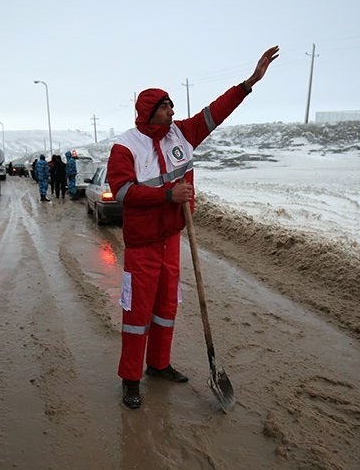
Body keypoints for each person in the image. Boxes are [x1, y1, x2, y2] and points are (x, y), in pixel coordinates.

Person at [106, 45, 280, 409]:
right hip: (142, 245)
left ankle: (159, 364)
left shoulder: (181, 134)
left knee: (167, 306)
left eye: (172, 106)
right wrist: (168, 196)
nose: (173, 111)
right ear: (150, 113)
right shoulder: (126, 146)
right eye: (166, 106)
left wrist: (249, 83)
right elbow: (122, 191)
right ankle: (130, 379)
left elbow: (216, 112)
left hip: (171, 239)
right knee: (137, 314)